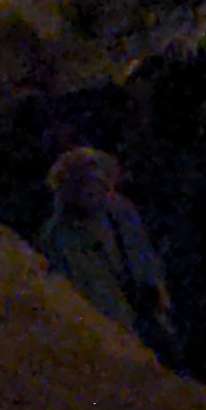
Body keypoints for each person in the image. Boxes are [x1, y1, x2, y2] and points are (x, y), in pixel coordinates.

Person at [37, 144, 175, 359]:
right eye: (82, 181)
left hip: (134, 317)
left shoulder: (120, 214)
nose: (91, 189)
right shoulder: (59, 233)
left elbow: (142, 259)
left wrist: (156, 293)